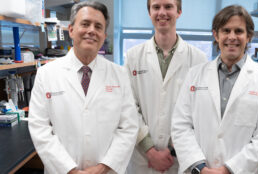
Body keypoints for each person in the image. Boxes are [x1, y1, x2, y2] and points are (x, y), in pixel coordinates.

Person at [28, 1, 138, 174]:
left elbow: (129, 127)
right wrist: (69, 170)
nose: (91, 31)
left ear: (103, 35)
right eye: (85, 24)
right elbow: (39, 129)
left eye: (98, 26)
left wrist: (103, 168)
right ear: (71, 30)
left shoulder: (120, 75)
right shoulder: (46, 74)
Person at [171, 5, 258, 174]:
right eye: (226, 30)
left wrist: (229, 169)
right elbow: (180, 126)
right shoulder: (194, 75)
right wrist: (199, 167)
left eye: (238, 31)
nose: (232, 37)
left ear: (249, 36)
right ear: (216, 34)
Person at [125, 0, 206, 173]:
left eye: (168, 6)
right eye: (156, 7)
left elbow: (198, 111)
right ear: (149, 12)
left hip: (178, 159)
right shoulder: (133, 57)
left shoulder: (198, 59)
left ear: (179, 12)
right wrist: (150, 151)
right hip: (142, 159)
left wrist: (171, 150)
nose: (162, 12)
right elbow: (128, 107)